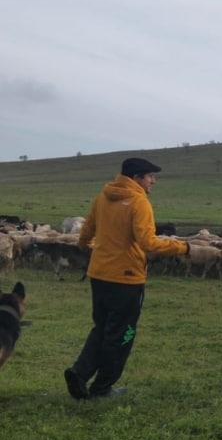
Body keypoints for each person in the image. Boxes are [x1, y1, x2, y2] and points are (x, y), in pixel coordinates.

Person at [64, 157, 190, 399]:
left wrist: (91, 249)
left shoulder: (103, 197)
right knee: (123, 333)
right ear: (137, 178)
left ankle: (79, 373)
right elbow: (148, 243)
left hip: (99, 275)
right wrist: (183, 247)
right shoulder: (139, 202)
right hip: (126, 279)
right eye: (150, 176)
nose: (154, 181)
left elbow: (86, 232)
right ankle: (102, 388)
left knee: (102, 327)